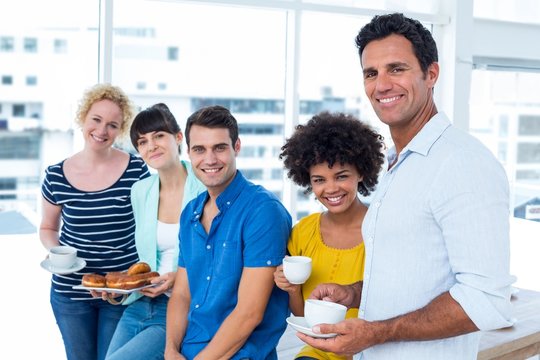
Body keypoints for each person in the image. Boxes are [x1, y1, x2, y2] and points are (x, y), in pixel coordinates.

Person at [298, 13, 515, 360]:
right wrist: (354, 295)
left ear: (431, 74)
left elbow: (485, 299)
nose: (381, 85)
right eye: (371, 73)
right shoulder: (401, 164)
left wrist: (378, 332)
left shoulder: (461, 163)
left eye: (396, 68)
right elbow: (414, 278)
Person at [164, 105, 292, 359]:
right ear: (188, 152)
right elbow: (181, 294)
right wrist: (170, 349)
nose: (209, 160)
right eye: (199, 149)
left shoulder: (263, 211)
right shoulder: (190, 213)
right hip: (190, 349)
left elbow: (249, 313)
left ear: (237, 147)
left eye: (219, 148)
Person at [39, 83, 150, 360]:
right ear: (83, 118)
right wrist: (58, 254)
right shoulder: (55, 175)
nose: (102, 131)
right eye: (96, 120)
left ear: (121, 129)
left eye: (113, 125)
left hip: (119, 290)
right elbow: (48, 228)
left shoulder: (136, 169)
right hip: (71, 291)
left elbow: (150, 225)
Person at [274, 111, 385, 360]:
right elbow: (303, 314)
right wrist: (292, 289)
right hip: (317, 352)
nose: (331, 188)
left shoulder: (381, 229)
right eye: (319, 180)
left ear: (362, 172)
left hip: (371, 350)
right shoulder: (303, 232)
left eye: (342, 176)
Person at [104, 103, 206, 359]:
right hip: (141, 302)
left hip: (182, 305)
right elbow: (147, 258)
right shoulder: (140, 191)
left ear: (178, 137)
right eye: (143, 141)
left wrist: (177, 278)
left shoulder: (205, 186)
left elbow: (218, 258)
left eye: (159, 136)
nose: (151, 146)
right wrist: (120, 288)